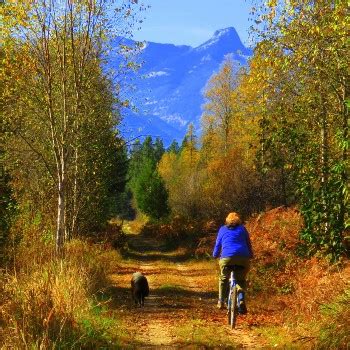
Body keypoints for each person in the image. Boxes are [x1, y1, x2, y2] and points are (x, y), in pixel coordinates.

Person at [212, 212, 253, 312]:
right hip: (243, 257)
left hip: (227, 258)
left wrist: (215, 255)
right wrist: (250, 255)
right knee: (241, 280)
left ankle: (221, 301)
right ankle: (241, 298)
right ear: (238, 220)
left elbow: (218, 245)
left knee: (223, 278)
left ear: (227, 220)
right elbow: (248, 243)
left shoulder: (222, 229)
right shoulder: (242, 229)